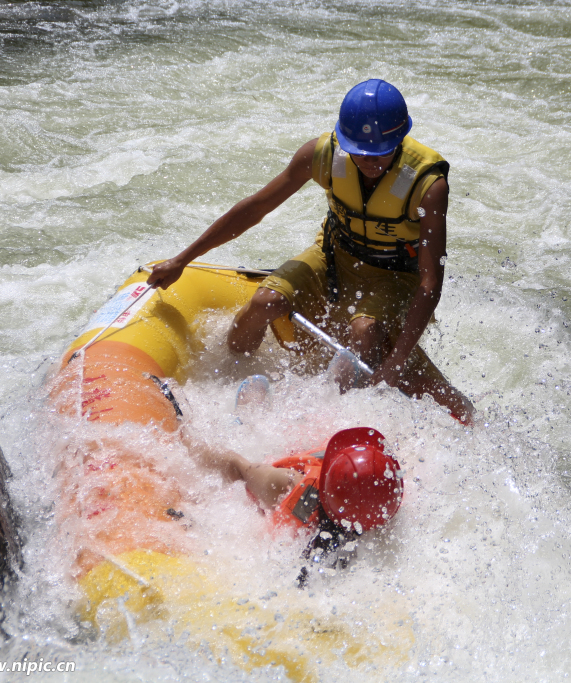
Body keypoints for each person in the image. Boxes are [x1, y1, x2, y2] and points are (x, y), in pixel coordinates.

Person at [148, 79, 474, 424]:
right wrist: (183, 259)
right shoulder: (322, 155)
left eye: (379, 152)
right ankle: (231, 381)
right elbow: (256, 207)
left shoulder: (428, 184)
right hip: (333, 256)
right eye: (359, 151)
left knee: (365, 332)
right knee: (263, 303)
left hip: (393, 277)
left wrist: (394, 366)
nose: (368, 161)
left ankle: (341, 422)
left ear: (399, 140)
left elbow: (429, 282)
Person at [190, 427, 403, 584]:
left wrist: (188, 441)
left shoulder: (289, 484)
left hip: (292, 490)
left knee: (244, 469)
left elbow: (237, 467)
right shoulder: (384, 502)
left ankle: (236, 420)